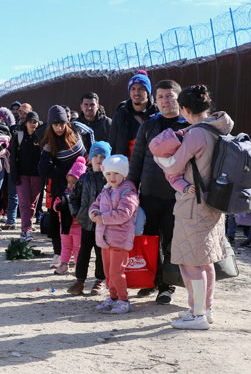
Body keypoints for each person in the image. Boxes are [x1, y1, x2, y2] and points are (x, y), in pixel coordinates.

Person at [150, 85, 232, 330]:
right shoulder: (220, 129)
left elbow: (175, 166)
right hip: (215, 202)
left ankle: (197, 314)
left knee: (190, 262)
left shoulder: (196, 134)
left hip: (194, 204)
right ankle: (206, 309)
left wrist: (161, 160)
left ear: (185, 109)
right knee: (206, 260)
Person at [127, 79, 190, 304]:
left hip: (176, 197)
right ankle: (150, 280)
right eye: (161, 96)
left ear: (178, 99)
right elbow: (136, 161)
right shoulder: (148, 125)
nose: (165, 100)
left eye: (170, 96)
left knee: (171, 242)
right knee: (148, 239)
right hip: (149, 195)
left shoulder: (188, 127)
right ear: (155, 100)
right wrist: (131, 189)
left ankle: (167, 286)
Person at [39, 105, 94, 268]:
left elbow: (89, 147)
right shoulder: (48, 142)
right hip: (60, 187)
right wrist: (46, 153)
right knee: (59, 221)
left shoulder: (77, 134)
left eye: (62, 124)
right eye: (56, 125)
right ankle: (58, 254)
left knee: (81, 220)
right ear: (51, 125)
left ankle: (81, 254)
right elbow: (43, 171)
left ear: (67, 122)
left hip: (80, 186)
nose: (59, 127)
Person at [89, 154, 139, 315]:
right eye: (109, 174)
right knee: (108, 271)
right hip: (105, 238)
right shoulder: (106, 191)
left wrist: (102, 218)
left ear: (124, 174)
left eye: (116, 173)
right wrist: (94, 212)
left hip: (120, 238)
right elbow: (95, 204)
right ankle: (113, 297)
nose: (112, 177)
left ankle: (124, 300)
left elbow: (124, 213)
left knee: (117, 271)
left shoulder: (128, 192)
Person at [68, 141, 110, 295]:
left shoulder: (109, 178)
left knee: (101, 253)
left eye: (102, 156)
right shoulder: (84, 178)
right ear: (90, 158)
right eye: (96, 156)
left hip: (104, 224)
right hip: (86, 223)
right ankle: (80, 280)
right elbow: (73, 197)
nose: (99, 159)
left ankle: (100, 280)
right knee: (83, 252)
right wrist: (77, 213)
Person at [10, 111, 43, 241]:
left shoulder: (41, 137)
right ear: (26, 123)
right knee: (24, 203)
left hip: (37, 176)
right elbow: (13, 158)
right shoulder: (19, 136)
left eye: (35, 122)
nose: (33, 125)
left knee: (32, 204)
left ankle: (27, 227)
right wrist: (14, 176)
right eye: (30, 122)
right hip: (22, 175)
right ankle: (26, 230)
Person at [108, 70, 157, 157]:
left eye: (141, 89)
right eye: (133, 89)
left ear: (148, 92)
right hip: (125, 167)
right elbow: (112, 145)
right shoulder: (120, 116)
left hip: (151, 166)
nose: (136, 93)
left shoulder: (157, 113)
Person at [53, 157, 85, 274]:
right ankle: (64, 264)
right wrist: (58, 206)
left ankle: (78, 265)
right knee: (65, 246)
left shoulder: (82, 195)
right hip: (65, 225)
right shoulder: (63, 194)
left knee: (78, 247)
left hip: (78, 226)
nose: (71, 185)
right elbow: (56, 203)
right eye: (69, 182)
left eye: (74, 182)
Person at [0, 107, 19, 230]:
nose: (0, 121)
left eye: (3, 119)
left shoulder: (14, 131)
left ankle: (10, 218)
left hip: (12, 165)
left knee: (11, 193)